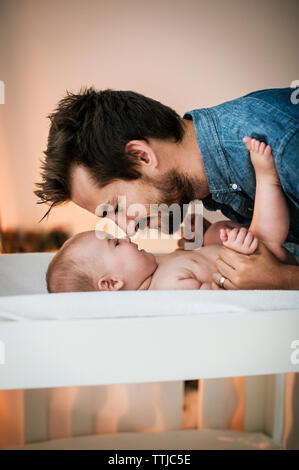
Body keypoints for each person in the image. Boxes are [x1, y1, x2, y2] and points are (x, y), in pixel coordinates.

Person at [35, 87, 299, 289]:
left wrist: (285, 280)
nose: (127, 229)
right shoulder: (208, 186)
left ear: (141, 157)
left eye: (116, 207)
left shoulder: (286, 148)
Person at [47, 139, 296, 293]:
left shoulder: (156, 268)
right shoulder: (168, 288)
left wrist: (196, 242)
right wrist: (238, 249)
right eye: (116, 243)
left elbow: (197, 261)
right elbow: (222, 294)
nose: (128, 236)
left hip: (233, 255)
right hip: (259, 264)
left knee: (214, 231)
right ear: (112, 283)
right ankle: (267, 179)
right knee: (264, 235)